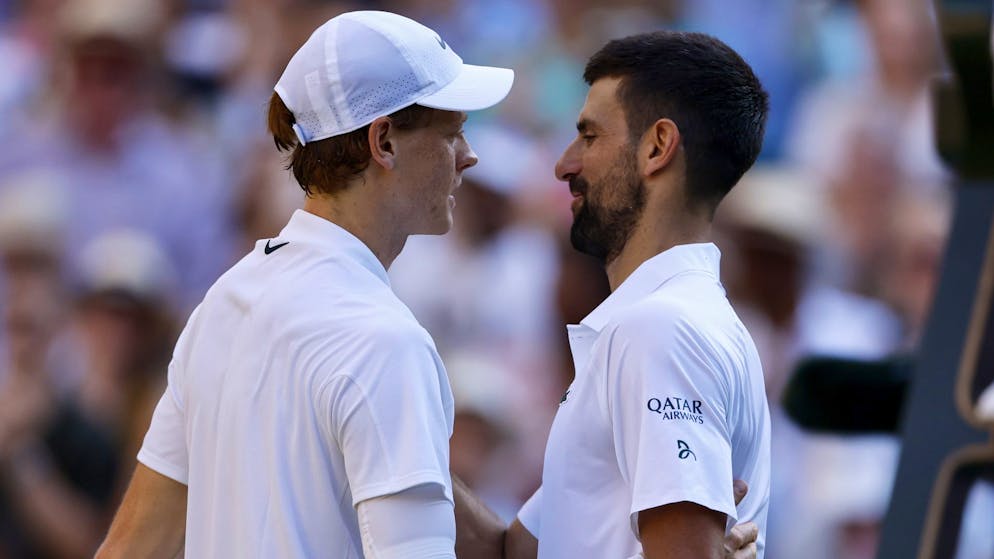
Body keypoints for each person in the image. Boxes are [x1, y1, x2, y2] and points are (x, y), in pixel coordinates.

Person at [95, 10, 513, 558]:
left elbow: (127, 550)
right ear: (384, 141)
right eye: (452, 132)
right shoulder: (385, 341)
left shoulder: (223, 303)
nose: (468, 156)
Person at [459, 31, 772, 559]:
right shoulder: (661, 325)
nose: (565, 164)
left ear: (657, 147)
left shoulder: (659, 330)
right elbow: (515, 553)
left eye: (589, 136)